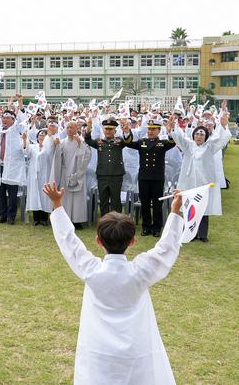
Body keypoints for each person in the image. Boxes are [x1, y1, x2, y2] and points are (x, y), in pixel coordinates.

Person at [43, 181, 184, 385]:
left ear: (99, 241)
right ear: (133, 241)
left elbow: (69, 242)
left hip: (98, 351)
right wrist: (174, 213)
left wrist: (57, 205)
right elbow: (166, 249)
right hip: (135, 349)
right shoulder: (140, 272)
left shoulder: (93, 271)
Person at [169, 112, 232, 242]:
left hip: (204, 184)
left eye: (202, 134)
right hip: (189, 183)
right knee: (189, 208)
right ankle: (189, 233)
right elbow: (178, 137)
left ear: (205, 137)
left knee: (203, 208)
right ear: (194, 135)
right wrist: (173, 126)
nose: (199, 136)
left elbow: (221, 139)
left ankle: (202, 235)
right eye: (197, 134)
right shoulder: (188, 146)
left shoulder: (210, 147)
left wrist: (224, 125)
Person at [123, 119, 176, 237]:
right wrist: (127, 132)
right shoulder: (142, 142)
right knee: (145, 203)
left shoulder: (162, 143)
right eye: (149, 129)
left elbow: (173, 142)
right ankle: (146, 227)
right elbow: (128, 143)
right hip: (144, 177)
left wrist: (170, 131)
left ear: (158, 130)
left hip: (157, 178)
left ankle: (157, 227)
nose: (150, 131)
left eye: (153, 129)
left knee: (157, 204)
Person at [0, 91, 28, 225]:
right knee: (0, 191)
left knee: (12, 192)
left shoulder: (15, 129)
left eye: (7, 118)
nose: (4, 119)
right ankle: (2, 215)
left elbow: (22, 120)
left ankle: (11, 217)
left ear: (13, 120)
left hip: (12, 166)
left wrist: (20, 103)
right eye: (3, 117)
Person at [85, 118, 131, 216]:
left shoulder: (119, 141)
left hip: (116, 175)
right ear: (103, 130)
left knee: (116, 201)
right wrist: (89, 128)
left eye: (111, 129)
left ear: (115, 130)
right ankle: (105, 222)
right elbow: (88, 140)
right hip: (102, 175)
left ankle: (116, 223)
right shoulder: (99, 142)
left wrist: (126, 131)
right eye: (106, 129)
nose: (108, 131)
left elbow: (128, 141)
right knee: (103, 201)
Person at [50, 121, 91, 229]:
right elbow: (58, 157)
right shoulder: (62, 142)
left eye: (72, 127)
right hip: (65, 173)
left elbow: (87, 156)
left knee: (77, 197)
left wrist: (81, 145)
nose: (69, 130)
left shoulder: (81, 142)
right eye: (68, 127)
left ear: (76, 129)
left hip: (78, 173)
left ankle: (77, 221)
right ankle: (65, 221)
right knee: (65, 198)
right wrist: (57, 146)